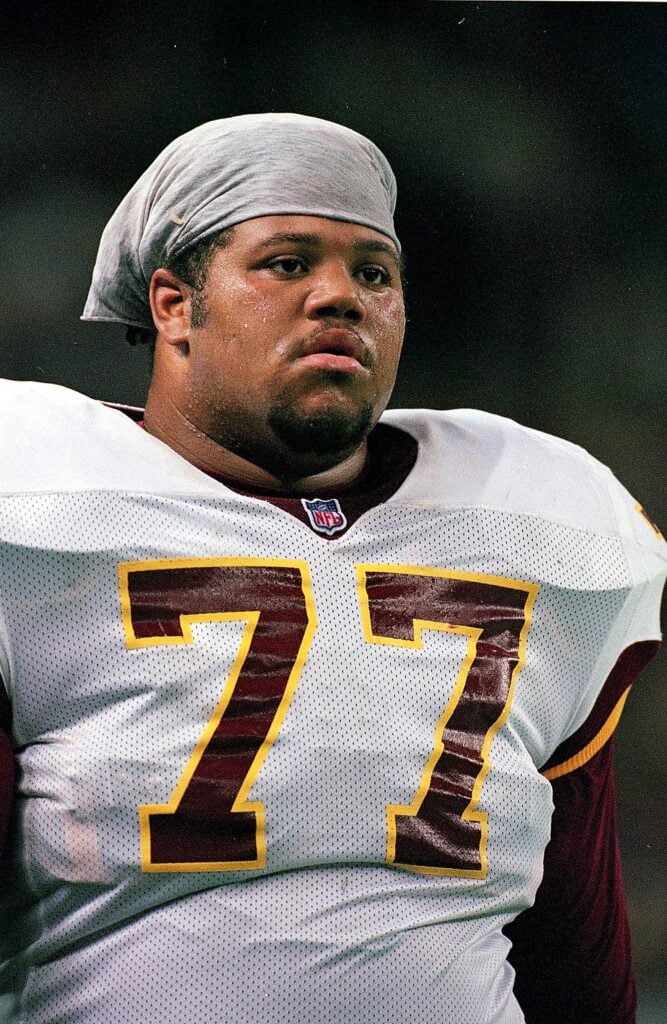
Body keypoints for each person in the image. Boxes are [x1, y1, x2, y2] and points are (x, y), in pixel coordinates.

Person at [0, 113, 663, 1024]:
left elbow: (572, 940)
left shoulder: (533, 515)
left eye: (373, 273)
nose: (340, 297)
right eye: (286, 262)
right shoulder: (30, 499)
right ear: (173, 304)